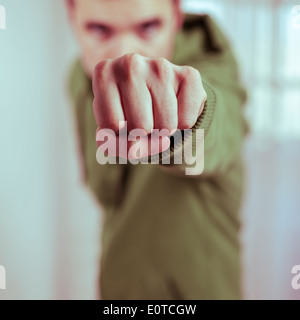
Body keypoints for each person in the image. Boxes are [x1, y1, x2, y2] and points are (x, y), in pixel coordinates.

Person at [66, 0, 249, 299]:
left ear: (176, 17)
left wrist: (186, 119)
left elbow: (221, 128)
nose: (126, 53)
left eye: (148, 27)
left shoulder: (213, 65)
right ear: (72, 19)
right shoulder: (79, 77)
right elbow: (105, 189)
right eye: (100, 29)